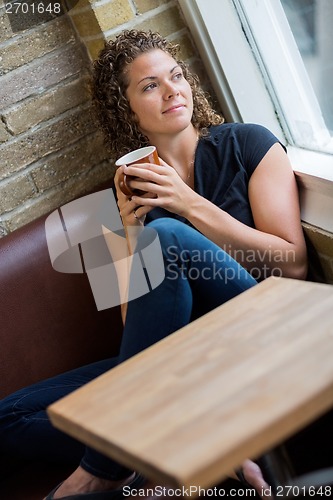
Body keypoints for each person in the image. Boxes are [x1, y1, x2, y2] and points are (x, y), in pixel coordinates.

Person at [0, 29, 307, 499]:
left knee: (168, 235)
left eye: (176, 76)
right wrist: (129, 236)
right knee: (9, 417)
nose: (172, 91)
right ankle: (173, 446)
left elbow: (293, 265)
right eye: (149, 86)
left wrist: (188, 206)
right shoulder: (124, 195)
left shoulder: (249, 144)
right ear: (127, 109)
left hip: (261, 330)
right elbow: (138, 338)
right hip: (180, 365)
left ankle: (106, 466)